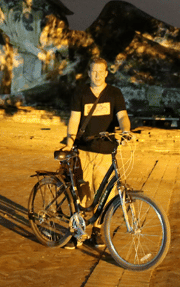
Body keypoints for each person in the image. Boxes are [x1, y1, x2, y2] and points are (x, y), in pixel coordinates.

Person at [63, 58, 131, 249]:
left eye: (101, 71)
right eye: (94, 71)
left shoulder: (114, 93)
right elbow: (74, 119)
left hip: (105, 152)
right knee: (83, 192)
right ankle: (79, 230)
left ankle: (98, 229)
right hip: (84, 150)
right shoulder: (81, 92)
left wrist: (126, 130)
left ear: (106, 73)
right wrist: (69, 143)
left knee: (102, 194)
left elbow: (122, 116)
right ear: (89, 73)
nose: (97, 75)